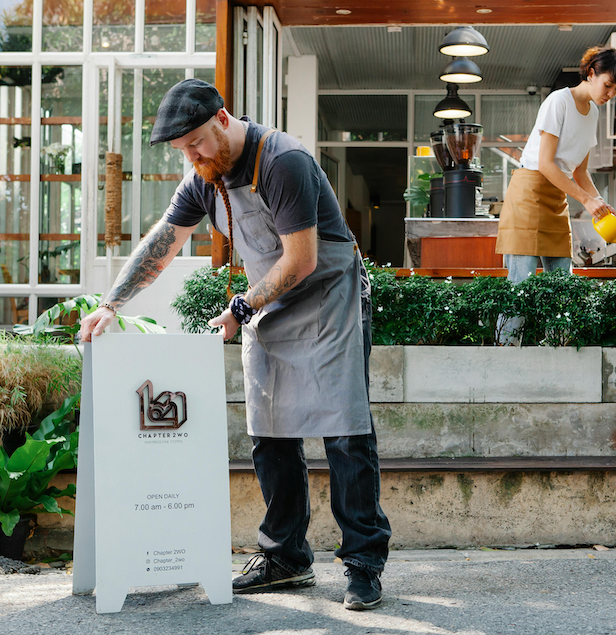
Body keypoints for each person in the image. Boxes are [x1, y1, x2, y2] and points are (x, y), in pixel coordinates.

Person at [79, 79, 391, 610]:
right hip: (269, 302)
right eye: (182, 150)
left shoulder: (283, 160)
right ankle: (285, 557)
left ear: (222, 120)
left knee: (345, 433)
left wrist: (243, 306)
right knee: (269, 432)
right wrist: (112, 303)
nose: (192, 156)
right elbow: (164, 241)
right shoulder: (206, 175)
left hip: (327, 294)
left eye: (196, 142)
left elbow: (302, 261)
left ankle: (363, 563)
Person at [494, 46, 616, 284]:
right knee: (520, 290)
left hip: (558, 197)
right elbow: (546, 164)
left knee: (561, 291)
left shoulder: (594, 114)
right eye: (608, 85)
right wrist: (586, 200)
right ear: (590, 74)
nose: (611, 94)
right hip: (529, 193)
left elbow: (580, 172)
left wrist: (601, 204)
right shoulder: (559, 101)